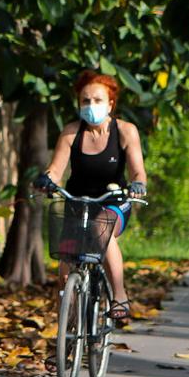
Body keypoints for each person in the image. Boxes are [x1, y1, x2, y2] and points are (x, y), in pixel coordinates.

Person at [33, 70, 148, 322]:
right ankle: (66, 336)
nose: (91, 106)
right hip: (77, 203)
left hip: (113, 202)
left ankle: (119, 294)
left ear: (110, 104)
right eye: (85, 101)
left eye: (97, 100)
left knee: (100, 228)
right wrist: (46, 180)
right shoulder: (71, 133)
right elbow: (55, 170)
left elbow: (138, 170)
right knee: (64, 271)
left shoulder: (126, 131)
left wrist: (138, 184)